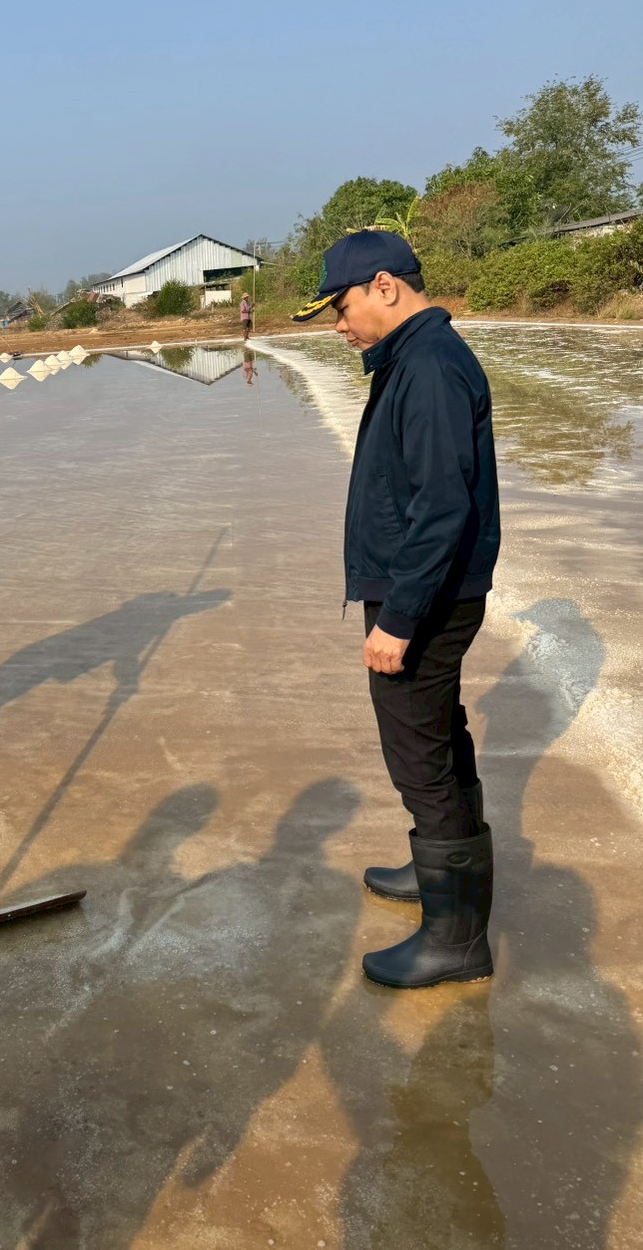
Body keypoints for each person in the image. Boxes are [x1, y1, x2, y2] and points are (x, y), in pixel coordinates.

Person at [291, 231, 500, 988]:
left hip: (430, 597)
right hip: (425, 587)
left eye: (340, 308)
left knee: (419, 756)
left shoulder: (432, 366)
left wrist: (400, 617)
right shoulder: (411, 358)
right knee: (437, 735)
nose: (337, 326)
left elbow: (443, 504)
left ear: (384, 286)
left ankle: (456, 937)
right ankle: (434, 871)